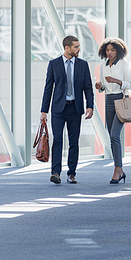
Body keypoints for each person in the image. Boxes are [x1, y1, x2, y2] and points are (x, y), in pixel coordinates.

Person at [40, 35, 93, 184]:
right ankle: (56, 172)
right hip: (58, 109)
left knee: (73, 142)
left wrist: (90, 106)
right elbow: (48, 89)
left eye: (79, 46)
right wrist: (44, 111)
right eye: (76, 46)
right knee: (57, 140)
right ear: (67, 48)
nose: (79, 49)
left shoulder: (83, 65)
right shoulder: (54, 64)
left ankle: (72, 174)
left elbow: (88, 87)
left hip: (75, 109)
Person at [95, 37, 131, 184]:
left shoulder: (124, 64)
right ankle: (120, 170)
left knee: (115, 135)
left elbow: (130, 84)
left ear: (118, 50)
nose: (110, 52)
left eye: (112, 50)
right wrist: (100, 86)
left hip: (121, 99)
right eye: (107, 50)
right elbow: (103, 87)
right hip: (108, 100)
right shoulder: (103, 66)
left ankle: (118, 169)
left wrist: (116, 81)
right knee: (112, 137)